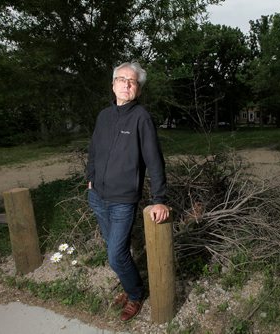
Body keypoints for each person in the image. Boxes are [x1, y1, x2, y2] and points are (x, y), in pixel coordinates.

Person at [86, 61, 170, 322]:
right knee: (116, 252)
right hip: (97, 197)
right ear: (113, 85)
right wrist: (90, 179)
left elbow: (154, 160)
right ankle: (131, 288)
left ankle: (135, 294)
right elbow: (94, 150)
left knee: (115, 254)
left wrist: (159, 200)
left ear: (138, 90)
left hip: (122, 200)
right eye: (121, 79)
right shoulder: (104, 116)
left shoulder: (141, 117)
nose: (126, 84)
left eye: (132, 81)